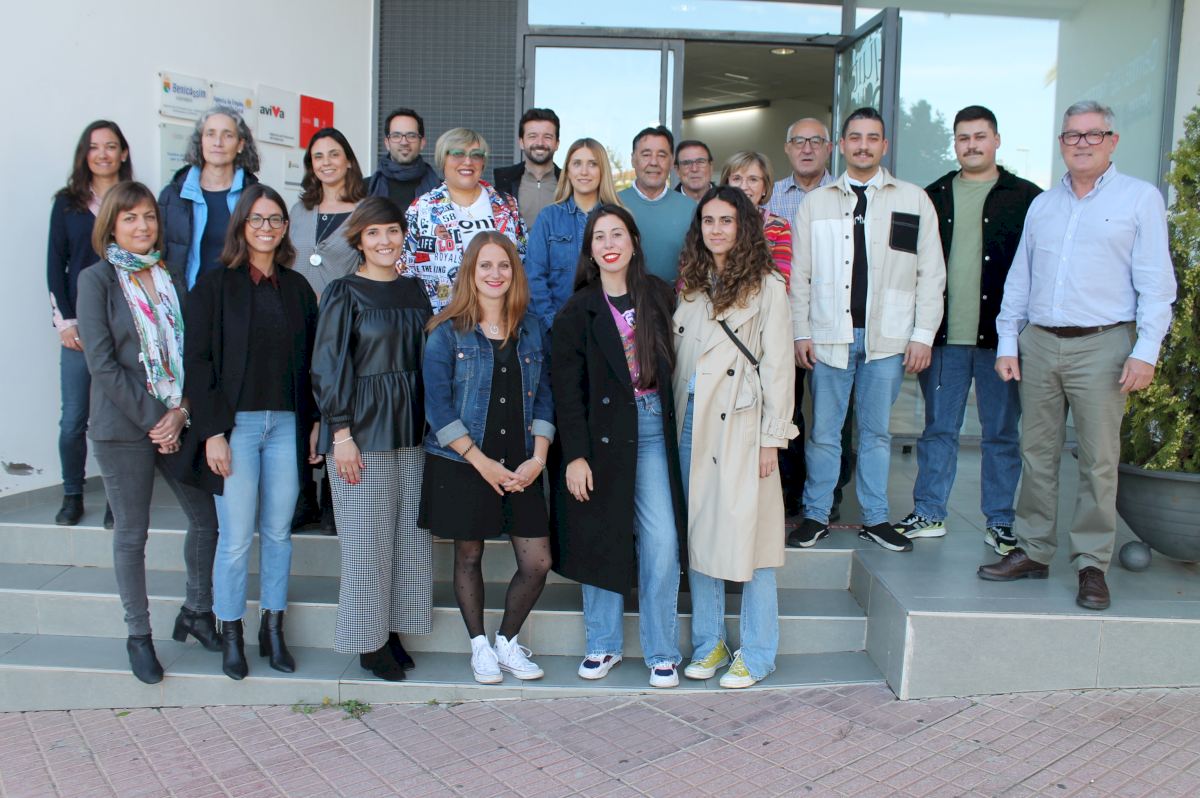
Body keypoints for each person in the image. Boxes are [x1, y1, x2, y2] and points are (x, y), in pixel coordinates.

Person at [980, 101, 1176, 611]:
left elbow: (1157, 284)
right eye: (1072, 135)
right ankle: (1034, 550)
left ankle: (1091, 564)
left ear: (1112, 141)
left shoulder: (1139, 199)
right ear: (1061, 143)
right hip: (1041, 342)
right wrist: (1008, 341)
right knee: (1036, 453)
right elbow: (1020, 278)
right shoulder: (1044, 205)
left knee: (1098, 460)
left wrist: (1146, 351)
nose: (1082, 143)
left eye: (1093, 134)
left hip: (1105, 344)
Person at [75, 181, 219, 684]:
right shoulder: (96, 280)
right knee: (132, 535)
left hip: (177, 418)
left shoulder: (169, 274)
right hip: (123, 427)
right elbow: (101, 363)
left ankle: (196, 612)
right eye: (130, 217)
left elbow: (191, 351)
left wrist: (181, 412)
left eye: (149, 217)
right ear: (111, 224)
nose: (142, 226)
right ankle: (139, 635)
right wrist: (157, 418)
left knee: (206, 521)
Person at [788, 107, 945, 553]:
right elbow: (800, 275)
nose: (863, 145)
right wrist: (800, 332)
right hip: (828, 336)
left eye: (872, 137)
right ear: (841, 145)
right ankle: (816, 515)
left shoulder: (913, 200)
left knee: (877, 435)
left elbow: (931, 274)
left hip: (888, 340)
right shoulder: (816, 203)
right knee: (824, 433)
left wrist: (922, 335)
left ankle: (876, 518)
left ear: (884, 145)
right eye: (855, 137)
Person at [185, 184, 321, 680]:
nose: (267, 228)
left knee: (279, 534)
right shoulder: (214, 286)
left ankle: (273, 630)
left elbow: (312, 364)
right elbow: (198, 363)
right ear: (241, 225)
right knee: (237, 538)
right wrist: (211, 433)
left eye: (276, 219)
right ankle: (231, 634)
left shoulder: (298, 289)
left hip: (286, 426)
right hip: (235, 428)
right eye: (257, 219)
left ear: (286, 228)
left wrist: (315, 423)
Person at [893, 106, 1041, 553]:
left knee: (1001, 433)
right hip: (942, 339)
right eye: (963, 137)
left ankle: (1000, 521)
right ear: (954, 143)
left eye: (980, 136)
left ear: (996, 140)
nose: (971, 145)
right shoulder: (930, 197)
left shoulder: (1028, 198)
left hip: (1002, 341)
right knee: (939, 429)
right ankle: (929, 512)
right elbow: (905, 264)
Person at [552, 204, 687, 688]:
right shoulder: (577, 310)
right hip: (599, 436)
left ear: (633, 241)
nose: (609, 244)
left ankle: (661, 651)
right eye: (599, 237)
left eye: (617, 234)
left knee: (662, 541)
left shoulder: (660, 296)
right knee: (603, 535)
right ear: (590, 251)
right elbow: (566, 391)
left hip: (651, 429)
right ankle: (603, 644)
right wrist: (576, 455)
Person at [674, 186, 798, 688]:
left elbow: (780, 367)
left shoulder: (768, 287)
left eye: (726, 220)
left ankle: (759, 651)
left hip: (743, 425)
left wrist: (772, 439)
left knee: (754, 541)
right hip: (690, 422)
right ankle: (710, 643)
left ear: (744, 226)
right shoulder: (692, 285)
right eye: (709, 221)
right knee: (700, 535)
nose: (717, 229)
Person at [420, 232, 554, 684]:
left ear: (515, 272)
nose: (495, 274)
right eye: (485, 266)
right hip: (465, 463)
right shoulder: (446, 332)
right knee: (469, 556)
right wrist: (481, 462)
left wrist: (538, 459)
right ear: (470, 273)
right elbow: (438, 408)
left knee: (537, 562)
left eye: (504, 265)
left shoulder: (532, 328)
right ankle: (479, 647)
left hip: (521, 463)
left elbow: (546, 396)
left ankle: (507, 642)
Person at [311, 197, 433, 681]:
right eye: (374, 233)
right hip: (361, 432)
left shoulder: (415, 289)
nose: (385, 241)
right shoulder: (343, 291)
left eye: (392, 231)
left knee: (409, 539)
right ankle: (367, 642)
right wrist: (340, 432)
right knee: (367, 542)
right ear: (359, 240)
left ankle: (392, 629)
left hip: (412, 431)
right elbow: (328, 365)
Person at [48, 120, 131, 528]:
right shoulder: (68, 203)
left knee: (119, 417)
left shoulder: (131, 199)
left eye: (110, 146)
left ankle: (118, 499)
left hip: (124, 326)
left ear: (123, 153)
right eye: (94, 147)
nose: (102, 154)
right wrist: (65, 323)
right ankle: (72, 494)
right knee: (74, 419)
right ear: (85, 154)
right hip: (80, 328)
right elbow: (55, 264)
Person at [289, 127, 369, 535]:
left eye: (334, 154)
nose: (326, 163)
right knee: (301, 403)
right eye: (318, 156)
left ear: (349, 160)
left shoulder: (364, 210)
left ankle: (334, 497)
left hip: (343, 325)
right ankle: (303, 494)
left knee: (336, 405)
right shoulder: (298, 210)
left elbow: (370, 265)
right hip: (298, 323)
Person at [402, 128, 527, 315]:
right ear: (443, 159)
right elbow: (404, 268)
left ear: (483, 162)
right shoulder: (421, 209)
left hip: (499, 316)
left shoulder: (506, 205)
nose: (468, 161)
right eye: (458, 154)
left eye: (476, 155)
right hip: (441, 318)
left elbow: (522, 258)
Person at [524, 137, 622, 330]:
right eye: (577, 164)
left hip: (608, 329)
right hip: (556, 329)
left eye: (592, 164)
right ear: (568, 171)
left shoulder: (618, 219)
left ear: (602, 170)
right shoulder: (548, 218)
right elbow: (534, 277)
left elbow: (628, 276)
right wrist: (554, 324)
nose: (584, 171)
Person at [160, 108, 260, 289]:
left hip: (238, 298)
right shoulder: (172, 195)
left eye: (228, 135)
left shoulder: (255, 196)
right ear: (200, 141)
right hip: (186, 298)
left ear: (240, 145)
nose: (218, 143)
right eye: (210, 134)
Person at [617, 126, 695, 282]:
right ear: (633, 159)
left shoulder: (690, 209)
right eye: (646, 155)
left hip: (676, 296)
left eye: (661, 155)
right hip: (623, 296)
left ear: (672, 161)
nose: (654, 162)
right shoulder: (613, 204)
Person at [720, 150, 792, 283]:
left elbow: (781, 280)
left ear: (765, 188)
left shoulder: (779, 227)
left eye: (753, 179)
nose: (743, 187)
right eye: (736, 179)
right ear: (726, 184)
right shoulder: (710, 222)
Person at [492, 108, 562, 227]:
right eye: (532, 136)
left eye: (547, 137)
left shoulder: (570, 184)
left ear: (557, 144)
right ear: (521, 142)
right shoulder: (503, 185)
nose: (540, 143)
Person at [367, 108, 440, 211]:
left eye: (411, 136)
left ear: (422, 143)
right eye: (396, 136)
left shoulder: (441, 190)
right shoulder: (364, 189)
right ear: (387, 143)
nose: (404, 142)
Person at [765, 118, 834, 225]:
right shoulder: (769, 196)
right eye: (799, 142)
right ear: (787, 148)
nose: (807, 150)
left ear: (829, 148)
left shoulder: (846, 193)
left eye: (815, 142)